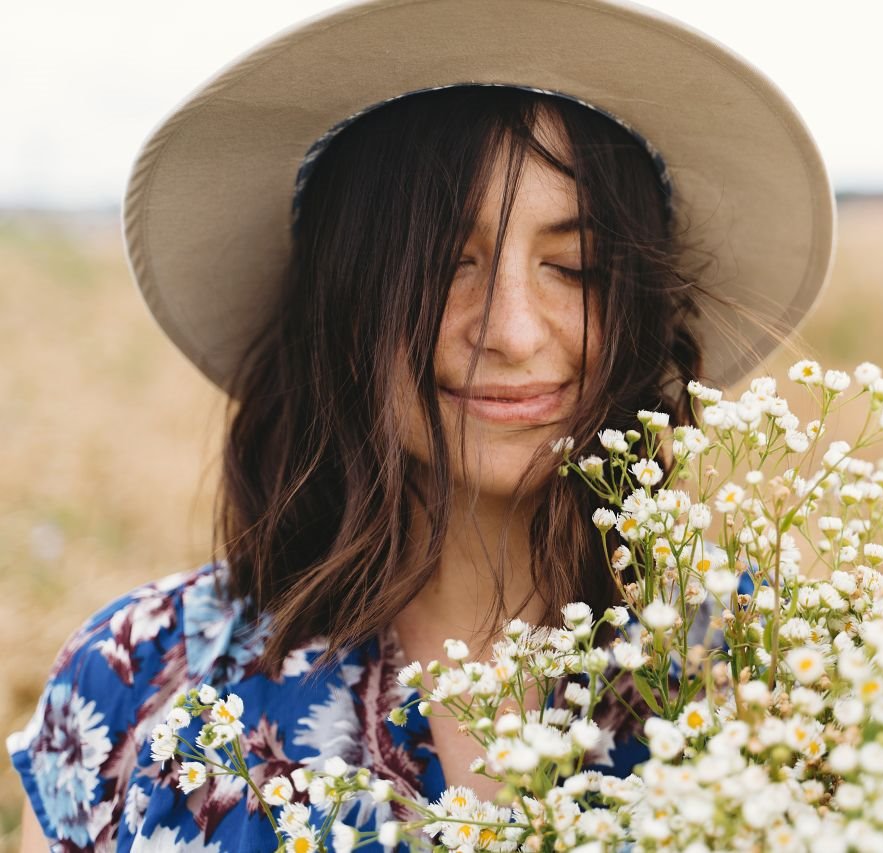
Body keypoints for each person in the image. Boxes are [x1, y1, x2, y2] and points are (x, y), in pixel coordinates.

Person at [8, 0, 835, 849]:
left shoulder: (773, 680)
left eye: (575, 266)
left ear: (642, 306)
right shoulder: (133, 686)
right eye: (442, 263)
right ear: (343, 298)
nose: (512, 331)